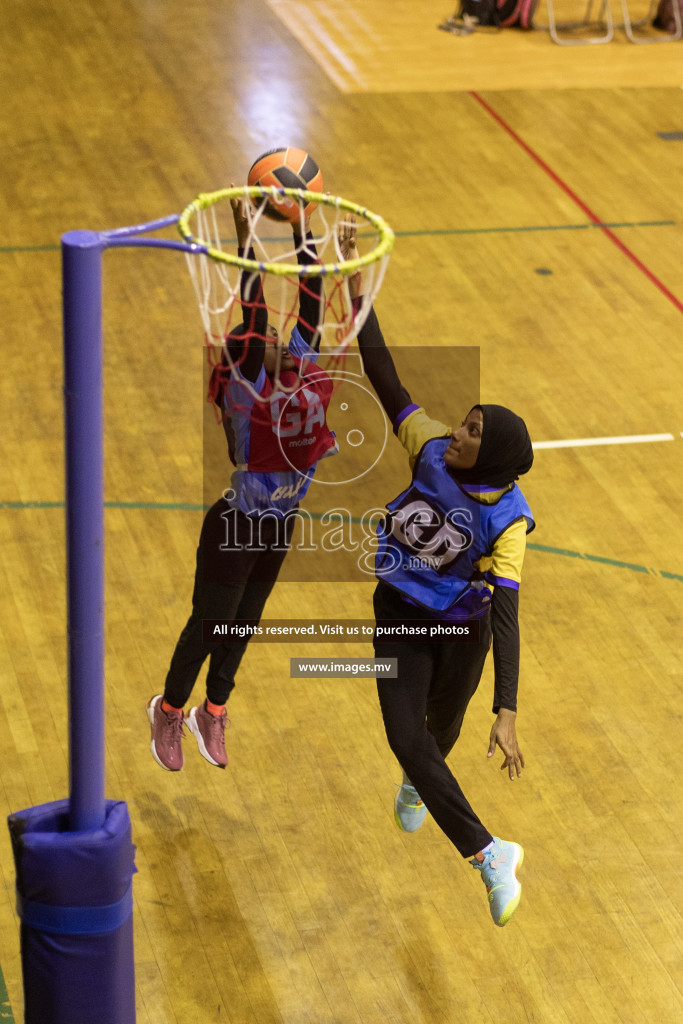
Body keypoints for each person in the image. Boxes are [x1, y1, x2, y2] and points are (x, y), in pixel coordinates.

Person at [339, 217, 534, 927]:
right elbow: (383, 373)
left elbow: (508, 618)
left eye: (473, 431)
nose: (458, 430)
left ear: (491, 456)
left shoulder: (508, 522)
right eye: (464, 420)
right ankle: (489, 855)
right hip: (398, 618)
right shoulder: (426, 448)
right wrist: (359, 297)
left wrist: (505, 711)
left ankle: (425, 783)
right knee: (405, 738)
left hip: (461, 633)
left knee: (435, 739)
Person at [147, 193, 338, 771]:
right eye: (266, 344)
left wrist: (305, 227)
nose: (281, 341)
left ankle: (214, 710)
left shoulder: (299, 371)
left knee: (245, 624)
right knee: (210, 624)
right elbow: (255, 320)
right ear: (247, 360)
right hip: (236, 524)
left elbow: (308, 302)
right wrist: (247, 240)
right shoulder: (245, 391)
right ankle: (169, 709)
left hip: (280, 524)